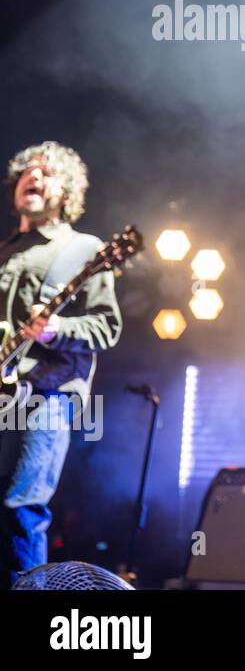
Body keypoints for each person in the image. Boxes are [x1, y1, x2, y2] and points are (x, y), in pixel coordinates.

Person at [0, 141, 122, 587]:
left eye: (47, 172)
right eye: (27, 170)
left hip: (47, 394)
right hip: (3, 395)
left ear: (66, 190)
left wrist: (55, 331)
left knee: (21, 506)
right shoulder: (5, 252)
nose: (34, 176)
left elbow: (108, 327)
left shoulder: (85, 249)